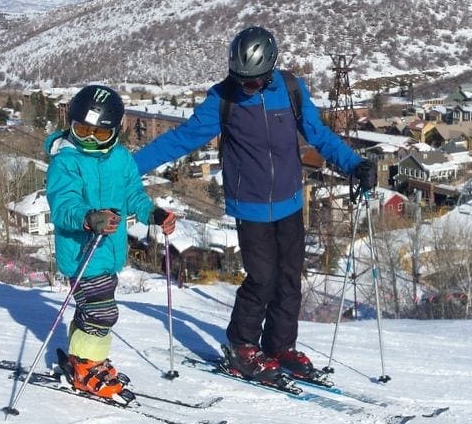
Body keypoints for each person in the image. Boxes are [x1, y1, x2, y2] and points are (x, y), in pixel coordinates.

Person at [134, 26, 377, 383]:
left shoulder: (291, 90)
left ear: (270, 72)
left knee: (290, 279)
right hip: (249, 206)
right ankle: (242, 345)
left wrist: (355, 165)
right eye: (240, 80)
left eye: (253, 82)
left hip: (291, 202)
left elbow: (319, 135)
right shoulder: (223, 99)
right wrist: (126, 169)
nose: (245, 87)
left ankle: (279, 346)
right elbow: (180, 140)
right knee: (262, 279)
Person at [45, 84, 176, 399]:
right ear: (71, 123)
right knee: (104, 312)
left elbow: (133, 196)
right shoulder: (65, 161)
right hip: (81, 253)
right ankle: (87, 365)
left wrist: (154, 214)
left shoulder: (121, 158)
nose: (89, 139)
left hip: (110, 251)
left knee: (92, 309)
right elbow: (63, 205)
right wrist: (88, 218)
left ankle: (83, 358)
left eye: (99, 134)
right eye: (81, 130)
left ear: (115, 132)